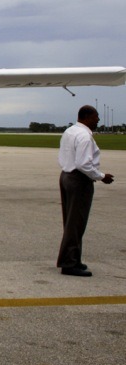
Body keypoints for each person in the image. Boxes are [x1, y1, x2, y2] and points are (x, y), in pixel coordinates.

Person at [57, 105, 114, 277]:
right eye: (96, 117)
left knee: (71, 221)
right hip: (79, 180)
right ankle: (69, 263)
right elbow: (83, 164)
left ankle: (74, 258)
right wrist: (101, 176)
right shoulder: (84, 137)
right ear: (87, 117)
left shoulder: (70, 131)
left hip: (66, 175)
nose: (98, 120)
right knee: (76, 223)